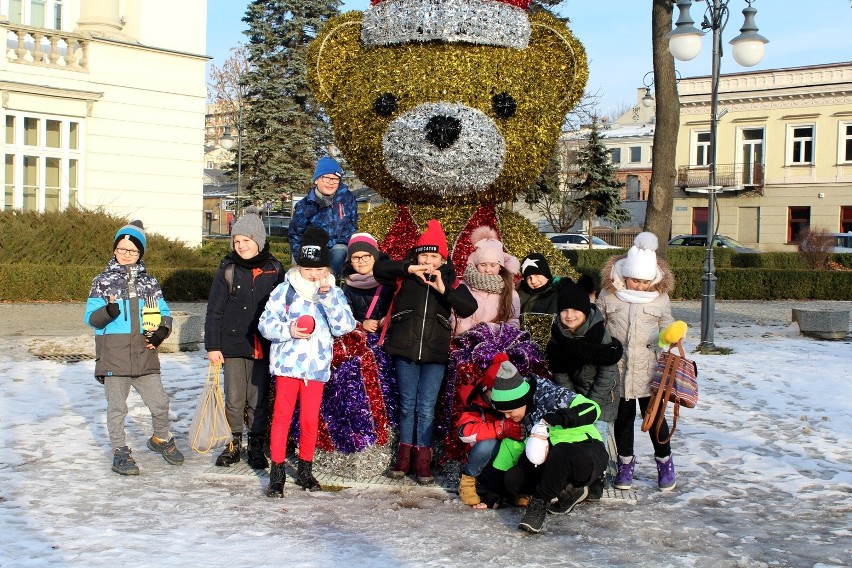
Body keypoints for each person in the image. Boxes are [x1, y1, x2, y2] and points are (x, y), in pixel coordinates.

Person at [373, 219, 478, 484]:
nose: (429, 260)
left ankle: (423, 460)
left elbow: (468, 307)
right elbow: (379, 269)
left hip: (435, 354)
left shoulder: (451, 282)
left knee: (426, 407)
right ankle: (404, 457)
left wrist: (443, 289)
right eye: (424, 254)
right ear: (417, 255)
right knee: (408, 406)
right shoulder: (404, 275)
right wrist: (408, 269)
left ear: (442, 260)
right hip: (406, 349)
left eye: (434, 256)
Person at [258, 227, 357, 497]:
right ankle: (277, 474)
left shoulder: (334, 292)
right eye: (307, 269)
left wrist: (327, 299)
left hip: (315, 369)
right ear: (299, 267)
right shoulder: (284, 291)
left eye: (320, 269)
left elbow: (344, 326)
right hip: (288, 367)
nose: (314, 275)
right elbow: (265, 324)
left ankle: (305, 470)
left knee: (310, 421)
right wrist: (289, 330)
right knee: (281, 418)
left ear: (327, 268)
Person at [84, 220, 184, 475]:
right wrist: (108, 310)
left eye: (132, 250)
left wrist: (162, 330)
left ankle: (160, 439)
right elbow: (90, 319)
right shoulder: (102, 282)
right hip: (114, 357)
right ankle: (120, 452)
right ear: (114, 249)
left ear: (140, 254)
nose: (126, 254)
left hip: (144, 354)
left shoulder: (150, 283)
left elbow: (164, 313)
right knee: (117, 409)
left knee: (160, 403)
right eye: (121, 249)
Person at [476, 356, 608, 534]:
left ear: (519, 401)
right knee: (513, 480)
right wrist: (494, 490)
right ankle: (570, 491)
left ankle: (538, 505)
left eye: (509, 411)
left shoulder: (553, 396)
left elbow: (592, 409)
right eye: (503, 413)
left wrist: (561, 417)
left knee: (561, 451)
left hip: (585, 450)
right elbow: (511, 447)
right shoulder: (520, 416)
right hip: (551, 463)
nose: (507, 417)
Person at [204, 206, 285, 470]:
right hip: (232, 345)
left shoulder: (275, 269)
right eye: (236, 241)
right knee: (235, 397)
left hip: (264, 345)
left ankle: (257, 444)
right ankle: (233, 443)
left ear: (258, 242)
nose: (240, 246)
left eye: (246, 241)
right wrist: (213, 346)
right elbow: (215, 309)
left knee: (258, 398)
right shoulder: (227, 269)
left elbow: (286, 307)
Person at [597, 231, 679, 492]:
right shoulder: (609, 295)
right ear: (625, 275)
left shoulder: (659, 297)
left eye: (645, 282)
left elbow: (666, 325)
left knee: (655, 418)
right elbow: (599, 324)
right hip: (617, 369)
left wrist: (671, 336)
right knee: (622, 419)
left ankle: (664, 461)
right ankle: (625, 463)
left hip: (649, 370)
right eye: (634, 280)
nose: (640, 286)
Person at [545, 280, 623, 499]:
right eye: (564, 310)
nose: (570, 315)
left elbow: (607, 374)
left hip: (602, 396)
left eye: (575, 310)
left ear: (585, 311)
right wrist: (574, 403)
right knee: (574, 435)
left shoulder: (599, 334)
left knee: (597, 435)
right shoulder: (558, 336)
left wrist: (591, 406)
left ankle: (601, 473)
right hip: (576, 396)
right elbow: (560, 373)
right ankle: (577, 476)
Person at [456, 353, 525, 508]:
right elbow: (464, 432)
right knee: (488, 442)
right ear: (486, 389)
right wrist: (499, 429)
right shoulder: (476, 407)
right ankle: (468, 482)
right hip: (485, 466)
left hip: (509, 467)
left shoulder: (519, 404)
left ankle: (520, 489)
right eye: (496, 392)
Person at [288, 156, 358, 278]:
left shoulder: (348, 199)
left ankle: (330, 283)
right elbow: (295, 234)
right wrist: (301, 260)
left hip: (341, 251)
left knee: (339, 250)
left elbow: (353, 226)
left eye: (335, 179)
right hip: (315, 251)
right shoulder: (304, 206)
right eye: (326, 178)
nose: (331, 182)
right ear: (316, 180)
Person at [454, 226, 520, 335]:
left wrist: (490, 331)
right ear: (476, 265)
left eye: (493, 265)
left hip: (497, 345)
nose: (487, 270)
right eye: (483, 265)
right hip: (464, 340)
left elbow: (513, 321)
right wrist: (466, 328)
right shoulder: (463, 286)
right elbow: (454, 315)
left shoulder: (510, 291)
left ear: (500, 266)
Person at [341, 233, 394, 332]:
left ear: (375, 257)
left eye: (366, 256)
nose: (361, 261)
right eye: (355, 257)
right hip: (362, 342)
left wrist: (390, 319)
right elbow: (346, 318)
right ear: (350, 261)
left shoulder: (389, 282)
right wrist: (361, 324)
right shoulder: (348, 287)